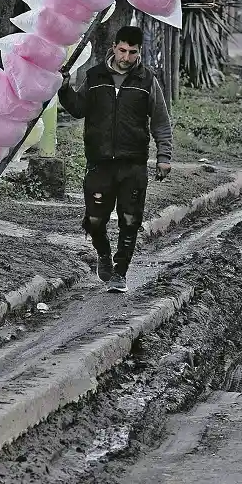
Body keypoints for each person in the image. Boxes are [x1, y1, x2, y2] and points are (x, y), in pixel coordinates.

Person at [58, 26, 173, 293]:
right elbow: (78, 109)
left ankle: (120, 272)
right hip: (99, 163)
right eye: (122, 50)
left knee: (130, 220)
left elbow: (160, 121)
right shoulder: (95, 76)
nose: (126, 57)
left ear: (139, 52)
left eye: (132, 52)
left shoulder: (147, 80)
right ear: (114, 47)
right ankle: (103, 254)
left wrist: (164, 157)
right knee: (95, 220)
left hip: (133, 163)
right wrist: (64, 89)